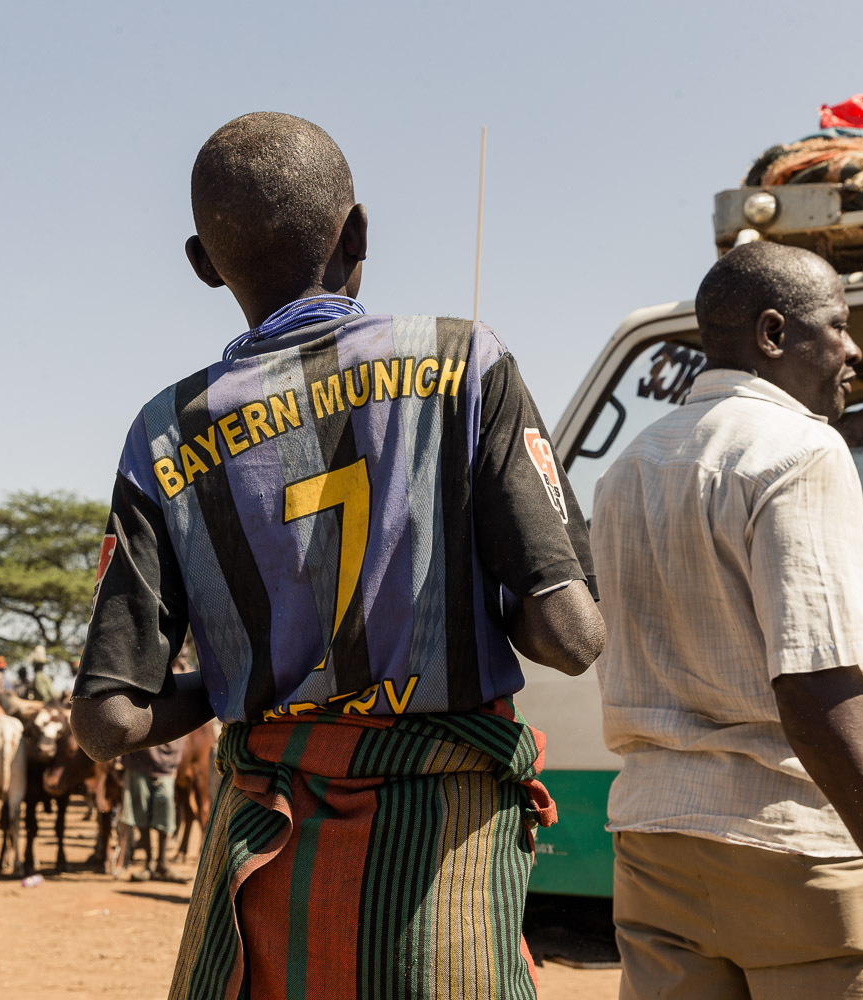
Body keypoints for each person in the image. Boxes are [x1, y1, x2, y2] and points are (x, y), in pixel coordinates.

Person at [69, 111, 603, 999]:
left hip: (270, 853)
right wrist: (474, 605)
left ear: (204, 264)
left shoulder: (163, 433)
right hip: (441, 848)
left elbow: (109, 723)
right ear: (357, 233)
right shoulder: (465, 363)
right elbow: (573, 636)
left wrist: (249, 684)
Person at [593, 241, 863, 1000]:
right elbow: (816, 681)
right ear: (773, 335)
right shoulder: (802, 450)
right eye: (837, 326)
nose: (853, 349)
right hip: (795, 853)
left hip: (656, 846)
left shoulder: (628, 466)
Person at [118, 737, 184, 882]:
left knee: (165, 812)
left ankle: (162, 863)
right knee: (141, 813)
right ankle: (148, 864)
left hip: (167, 764)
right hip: (139, 761)